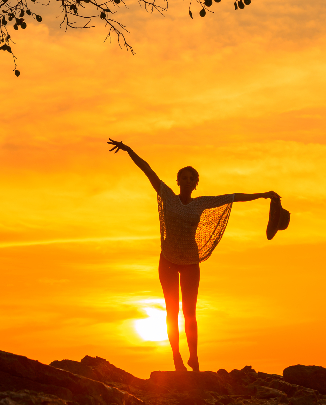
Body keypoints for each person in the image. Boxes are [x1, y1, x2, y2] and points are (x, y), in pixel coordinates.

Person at [107, 138, 280, 373]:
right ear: (178, 181)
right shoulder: (167, 195)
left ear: (196, 184)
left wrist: (262, 194)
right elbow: (147, 170)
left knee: (190, 311)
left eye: (192, 178)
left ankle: (194, 358)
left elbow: (233, 196)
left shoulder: (201, 203)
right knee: (171, 311)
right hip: (167, 260)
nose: (187, 181)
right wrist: (129, 151)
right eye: (184, 177)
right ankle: (177, 358)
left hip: (190, 261)